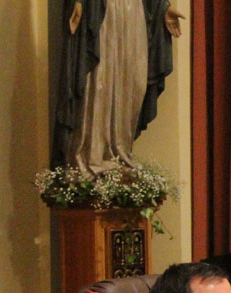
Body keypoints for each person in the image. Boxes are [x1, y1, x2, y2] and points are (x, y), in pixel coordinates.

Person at [53, 0, 184, 173]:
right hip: (101, 12)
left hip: (133, 14)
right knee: (101, 82)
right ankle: (92, 156)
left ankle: (120, 153)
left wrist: (162, 8)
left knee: (132, 83)